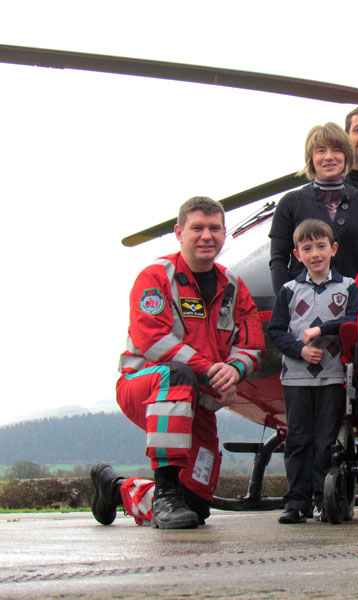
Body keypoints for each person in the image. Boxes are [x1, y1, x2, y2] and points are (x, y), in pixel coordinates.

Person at [90, 196, 265, 529]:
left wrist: (234, 371)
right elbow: (151, 339)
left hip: (196, 400)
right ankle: (166, 493)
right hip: (146, 386)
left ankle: (115, 489)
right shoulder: (155, 276)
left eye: (214, 228)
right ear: (179, 233)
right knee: (178, 373)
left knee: (196, 507)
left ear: (224, 233)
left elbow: (253, 342)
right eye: (197, 228)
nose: (206, 236)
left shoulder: (234, 286)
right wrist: (210, 370)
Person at [267, 219, 358, 523]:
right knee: (297, 440)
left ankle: (325, 498)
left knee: (325, 440)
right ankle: (297, 502)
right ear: (297, 255)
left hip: (333, 376)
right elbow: (276, 331)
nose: (315, 253)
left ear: (333, 249)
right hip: (296, 379)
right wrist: (300, 350)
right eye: (307, 248)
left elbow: (355, 320)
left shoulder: (348, 286)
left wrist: (323, 328)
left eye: (321, 246)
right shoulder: (288, 290)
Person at [269, 122, 358, 293]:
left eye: (336, 150)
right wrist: (287, 302)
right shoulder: (290, 203)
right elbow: (278, 260)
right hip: (305, 308)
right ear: (311, 157)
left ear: (346, 155)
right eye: (321, 151)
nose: (329, 157)